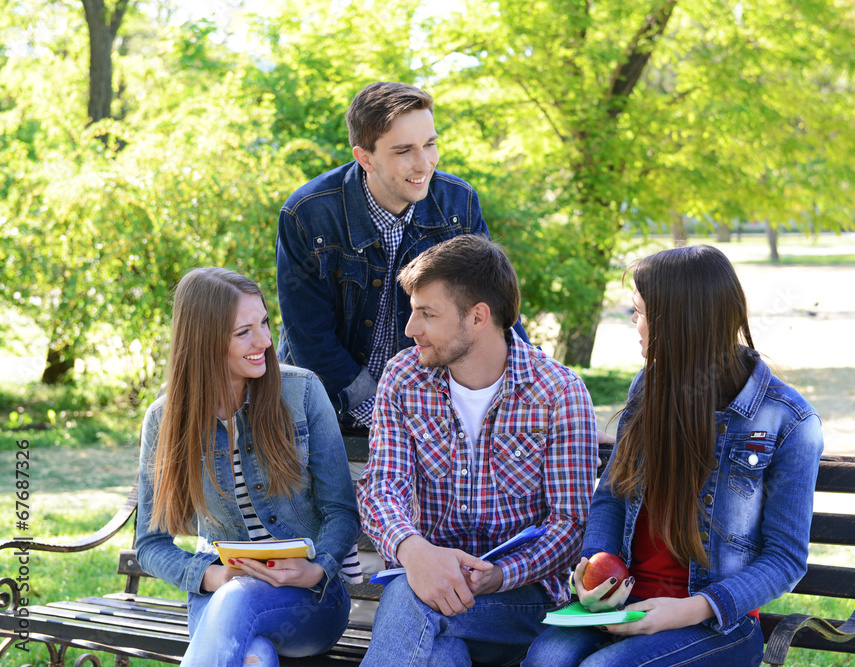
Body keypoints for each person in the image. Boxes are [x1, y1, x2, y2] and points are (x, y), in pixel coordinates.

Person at [524, 245, 824, 667]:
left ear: (679, 323)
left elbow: (785, 558)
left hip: (717, 623)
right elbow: (612, 496)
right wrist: (596, 567)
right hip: (624, 607)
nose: (635, 324)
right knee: (546, 662)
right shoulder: (649, 388)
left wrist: (686, 609)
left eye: (640, 312)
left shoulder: (787, 420)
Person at [356, 235, 599, 666]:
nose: (411, 329)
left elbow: (570, 526)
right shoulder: (404, 378)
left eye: (427, 314)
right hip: (429, 584)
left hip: (525, 603)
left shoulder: (558, 392)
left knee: (411, 601)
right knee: (439, 652)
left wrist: (498, 576)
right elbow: (381, 488)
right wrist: (415, 553)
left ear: (478, 317)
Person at [135, 267, 360, 666]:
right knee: (253, 656)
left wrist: (316, 569)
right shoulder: (164, 419)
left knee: (239, 605)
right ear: (203, 341)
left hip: (309, 602)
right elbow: (150, 544)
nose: (264, 342)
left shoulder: (303, 391)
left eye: (265, 323)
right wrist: (212, 576)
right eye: (244, 332)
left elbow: (341, 511)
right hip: (221, 597)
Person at [275, 81, 528, 432]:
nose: (424, 163)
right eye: (404, 150)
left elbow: (496, 309)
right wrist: (383, 415)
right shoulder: (309, 214)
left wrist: (545, 394)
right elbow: (308, 335)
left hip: (423, 409)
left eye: (430, 144)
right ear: (365, 157)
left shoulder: (458, 204)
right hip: (326, 410)